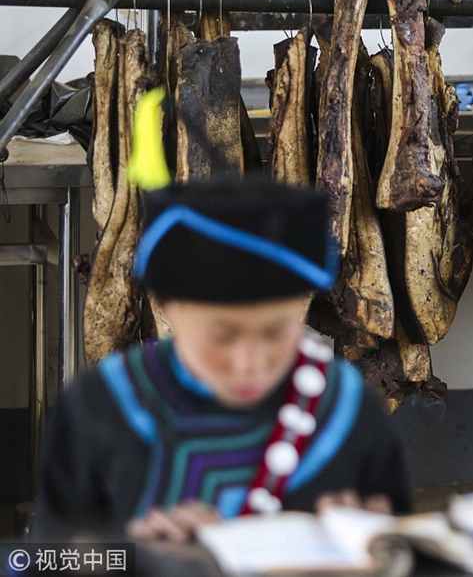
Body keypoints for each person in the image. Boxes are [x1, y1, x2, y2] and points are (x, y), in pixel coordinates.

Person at [33, 178, 411, 542]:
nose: (249, 363)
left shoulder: (347, 406)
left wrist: (377, 546)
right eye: (222, 336)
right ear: (166, 305)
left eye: (275, 332)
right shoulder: (98, 407)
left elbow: (408, 549)